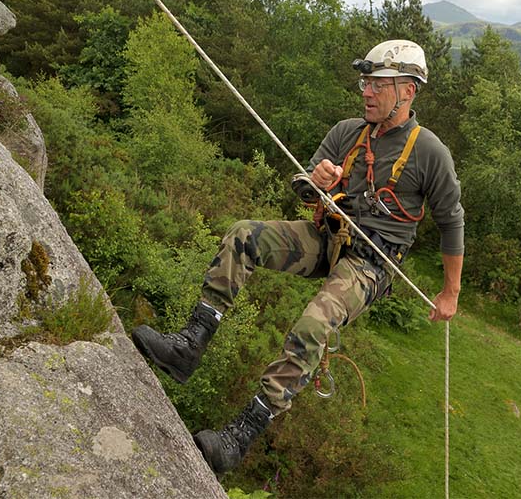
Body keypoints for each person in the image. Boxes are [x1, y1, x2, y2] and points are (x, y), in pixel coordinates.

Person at [131, 39, 465, 474]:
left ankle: (240, 436)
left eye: (378, 84)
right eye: (366, 82)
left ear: (408, 92)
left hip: (372, 263)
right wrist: (319, 181)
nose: (366, 91)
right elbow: (305, 190)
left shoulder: (429, 153)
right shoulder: (348, 132)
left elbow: (451, 221)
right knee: (243, 235)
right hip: (327, 236)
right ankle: (189, 344)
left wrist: (450, 293)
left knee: (313, 324)